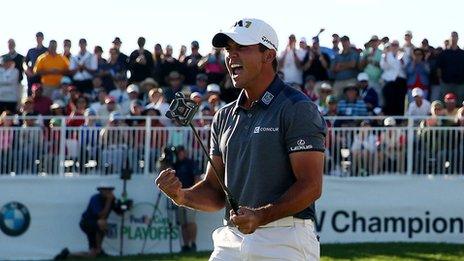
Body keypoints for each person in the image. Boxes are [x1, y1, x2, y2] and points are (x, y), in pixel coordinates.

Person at [155, 18, 326, 260]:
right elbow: (214, 192)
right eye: (228, 50)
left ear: (268, 55)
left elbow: (311, 186)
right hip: (231, 239)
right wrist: (181, 195)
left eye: (241, 48)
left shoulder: (297, 108)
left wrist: (261, 216)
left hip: (285, 238)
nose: (231, 56)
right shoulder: (223, 116)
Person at [54, 183, 121, 260]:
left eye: (110, 190)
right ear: (100, 191)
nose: (108, 192)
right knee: (102, 222)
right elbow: (101, 216)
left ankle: (67, 254)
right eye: (105, 190)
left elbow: (119, 213)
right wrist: (109, 201)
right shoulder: (95, 198)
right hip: (87, 223)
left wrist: (123, 207)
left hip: (95, 225)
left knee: (92, 254)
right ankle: (99, 250)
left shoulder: (112, 199)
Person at [172, 146, 201, 252]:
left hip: (190, 196)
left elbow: (197, 178)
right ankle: (186, 245)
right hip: (178, 197)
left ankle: (193, 244)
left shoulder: (190, 163)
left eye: (180, 152)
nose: (179, 154)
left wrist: (194, 194)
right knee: (183, 223)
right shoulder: (175, 164)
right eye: (178, 153)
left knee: (190, 222)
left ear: (184, 152)